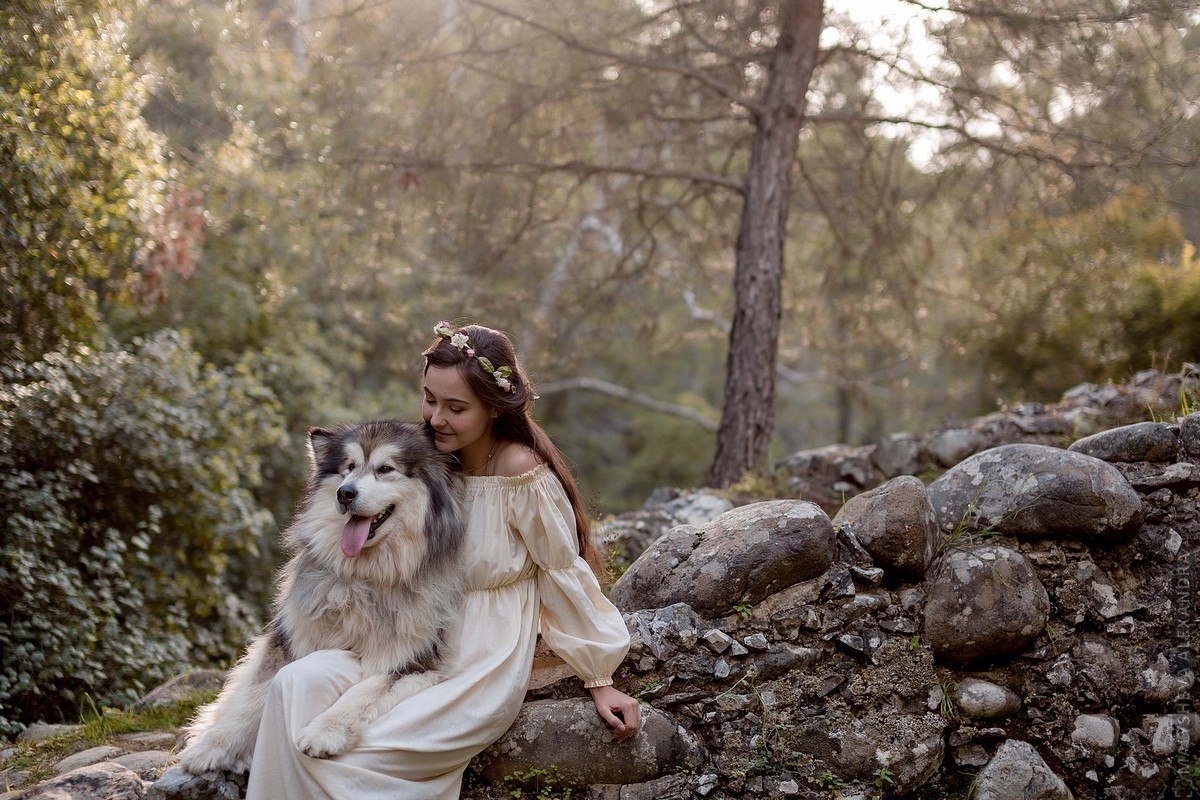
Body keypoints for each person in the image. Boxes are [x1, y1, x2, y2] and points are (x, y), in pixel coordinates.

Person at [244, 321, 640, 800]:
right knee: (292, 686)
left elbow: (561, 572)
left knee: (358, 754)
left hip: (474, 662)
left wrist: (600, 678)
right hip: (402, 641)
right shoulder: (427, 458)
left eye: (456, 408)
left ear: (495, 409)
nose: (435, 419)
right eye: (429, 399)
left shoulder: (519, 471)